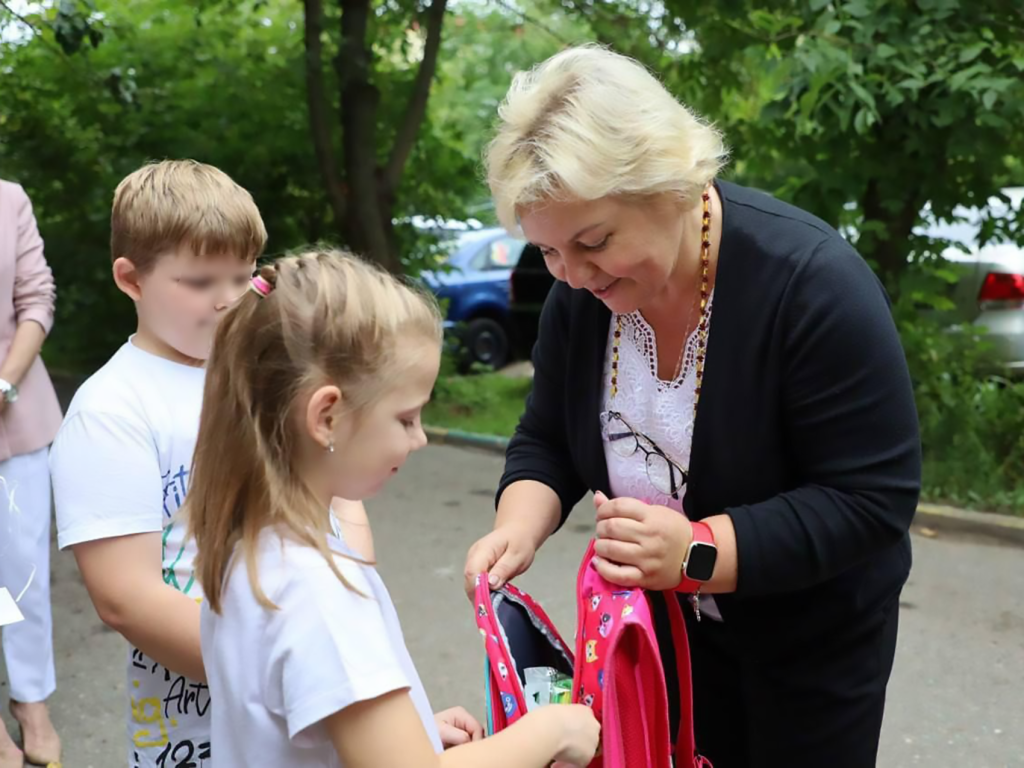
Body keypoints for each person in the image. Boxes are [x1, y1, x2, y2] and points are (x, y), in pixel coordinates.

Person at [464, 45, 922, 768]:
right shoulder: (581, 302)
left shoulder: (812, 284)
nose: (574, 277)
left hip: (808, 651)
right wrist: (516, 530)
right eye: (549, 252)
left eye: (593, 242)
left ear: (670, 187)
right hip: (656, 637)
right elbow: (547, 438)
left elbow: (870, 499)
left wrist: (696, 552)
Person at [189, 250, 601, 768]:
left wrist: (410, 733)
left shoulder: (249, 548)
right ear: (328, 416)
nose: (421, 438)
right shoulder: (319, 589)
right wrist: (549, 732)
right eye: (405, 418)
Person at [48, 160, 270, 767]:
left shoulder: (257, 374)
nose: (228, 302)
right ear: (131, 279)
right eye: (200, 282)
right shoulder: (113, 409)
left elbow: (333, 495)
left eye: (244, 278)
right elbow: (125, 596)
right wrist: (270, 668)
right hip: (201, 725)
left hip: (306, 684)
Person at [0, 180, 64, 767]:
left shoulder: (10, 199)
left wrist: (4, 384)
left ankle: (30, 701)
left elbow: (36, 300)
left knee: (19, 574)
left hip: (14, 418)